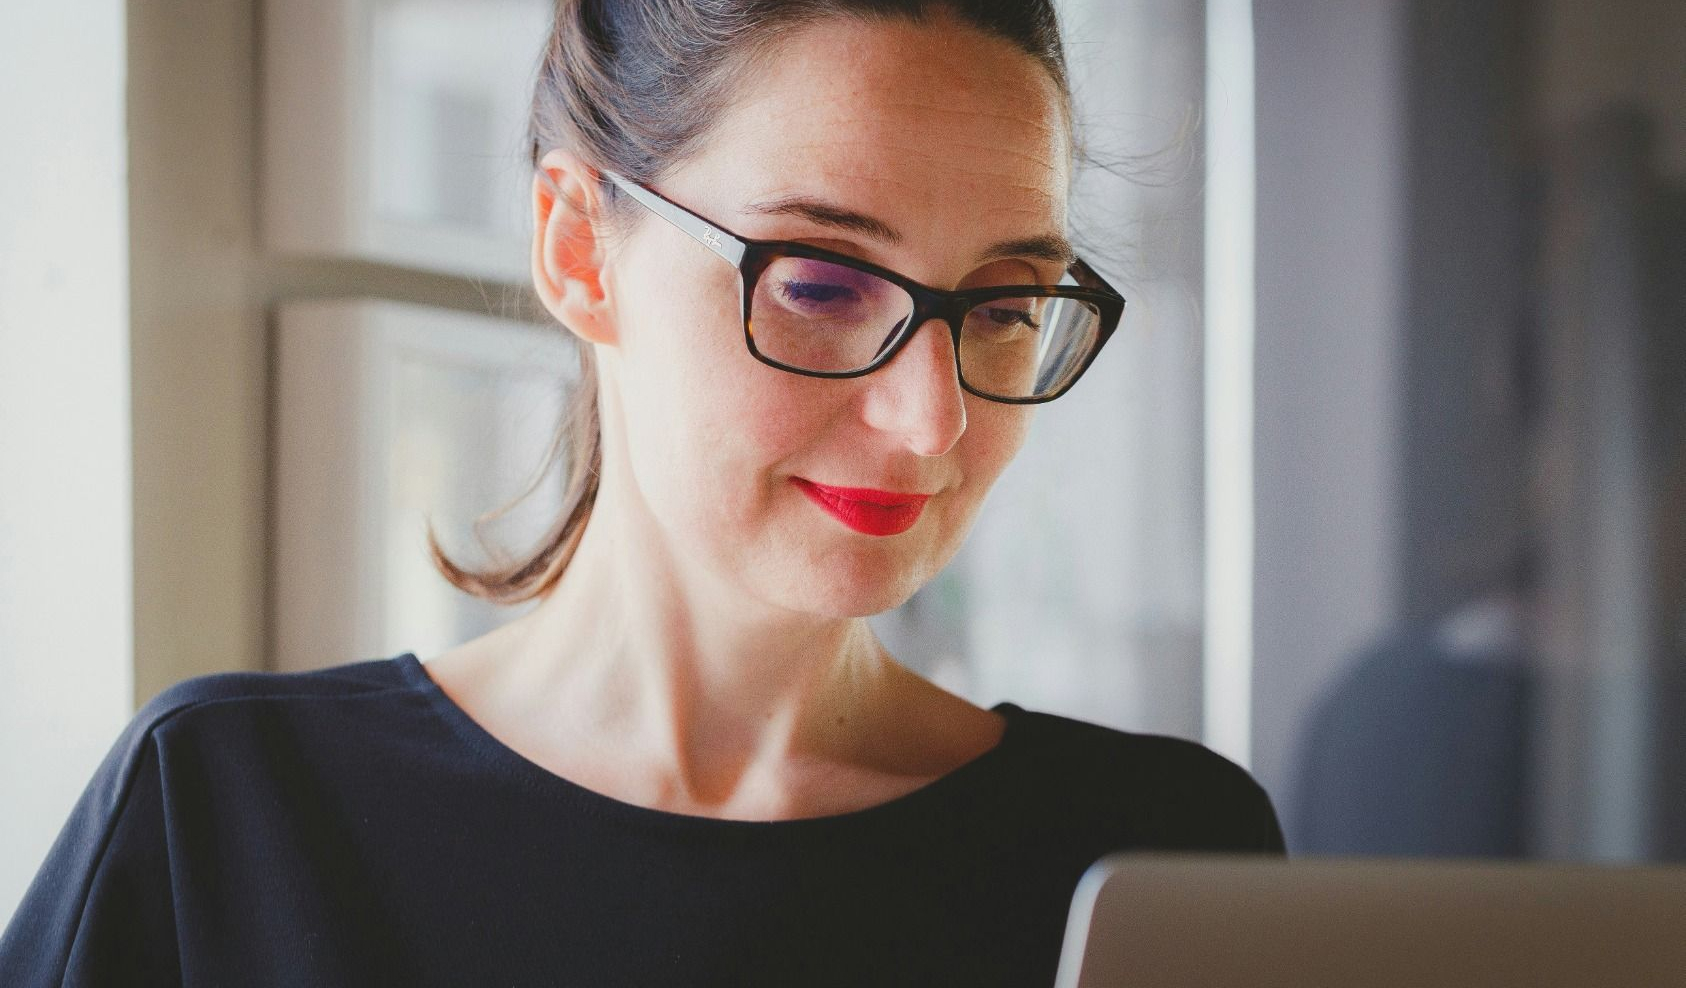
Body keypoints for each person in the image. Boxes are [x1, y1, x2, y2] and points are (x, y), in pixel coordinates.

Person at [0, 1, 1284, 984]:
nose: (933, 419)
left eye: (1003, 307)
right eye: (822, 283)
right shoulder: (226, 817)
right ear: (577, 245)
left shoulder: (1154, 857)